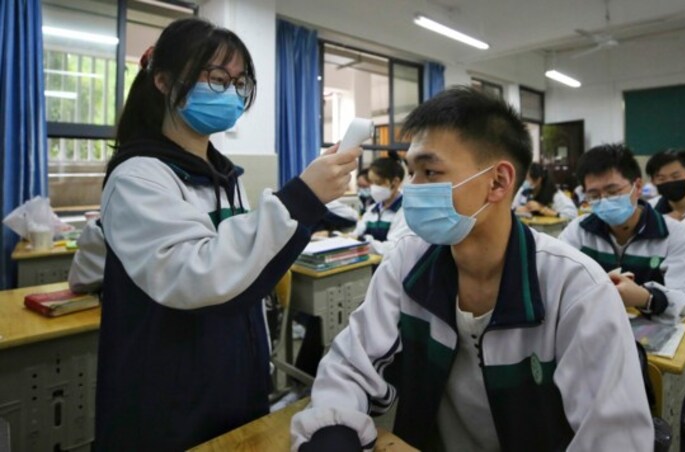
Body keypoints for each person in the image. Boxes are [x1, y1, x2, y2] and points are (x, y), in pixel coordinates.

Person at [291, 88, 653, 451]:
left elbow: (615, 439)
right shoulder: (409, 261)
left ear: (498, 182)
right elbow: (351, 364)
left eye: (430, 171)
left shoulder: (576, 288)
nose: (414, 188)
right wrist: (332, 433)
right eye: (411, 171)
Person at [70, 18, 360, 450]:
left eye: (239, 82)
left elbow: (243, 266)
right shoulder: (139, 176)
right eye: (217, 79)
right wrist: (300, 198)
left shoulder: (224, 176)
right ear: (165, 81)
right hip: (167, 393)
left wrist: (307, 208)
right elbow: (198, 275)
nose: (231, 93)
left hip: (232, 376)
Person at [559, 144, 685, 324]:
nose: (604, 201)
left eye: (613, 191)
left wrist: (646, 298)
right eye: (594, 195)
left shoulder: (673, 235)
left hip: (652, 330)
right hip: (594, 325)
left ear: (637, 186)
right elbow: (557, 278)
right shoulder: (579, 231)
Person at [354, 156, 413, 255]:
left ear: (395, 182)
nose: (373, 188)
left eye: (378, 183)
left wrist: (365, 242)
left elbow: (393, 247)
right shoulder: (373, 209)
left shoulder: (405, 211)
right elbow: (357, 233)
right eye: (371, 183)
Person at [512, 162, 577, 219]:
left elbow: (572, 214)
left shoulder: (555, 195)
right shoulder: (523, 192)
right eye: (524, 179)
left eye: (528, 179)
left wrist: (542, 209)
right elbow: (510, 209)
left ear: (539, 179)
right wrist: (517, 210)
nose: (526, 182)